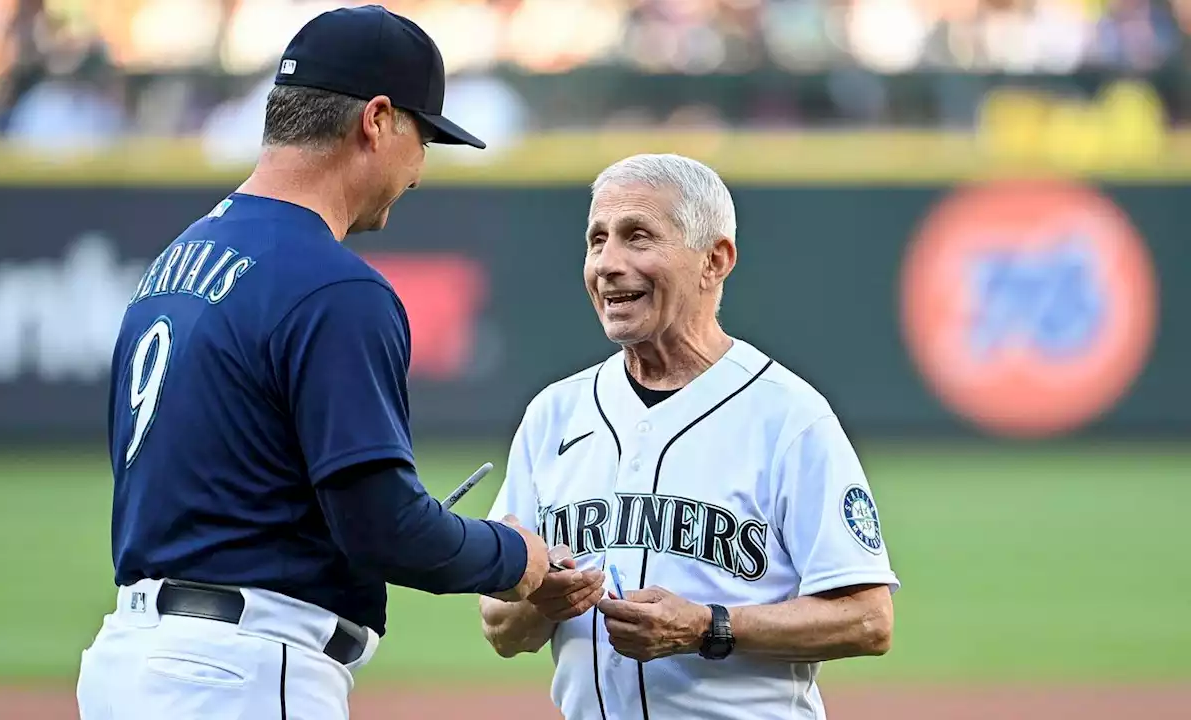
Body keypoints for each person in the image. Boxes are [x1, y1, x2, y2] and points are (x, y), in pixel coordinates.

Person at [75, 7, 551, 720]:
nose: (421, 169)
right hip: (237, 673)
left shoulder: (178, 260)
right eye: (424, 135)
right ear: (378, 120)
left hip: (133, 662)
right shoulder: (334, 284)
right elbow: (384, 527)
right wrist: (514, 558)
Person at [477, 153, 900, 719]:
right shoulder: (554, 414)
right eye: (597, 239)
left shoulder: (790, 417)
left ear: (715, 260)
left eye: (638, 237)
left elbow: (867, 619)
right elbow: (502, 630)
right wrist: (540, 598)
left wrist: (708, 626)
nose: (608, 262)